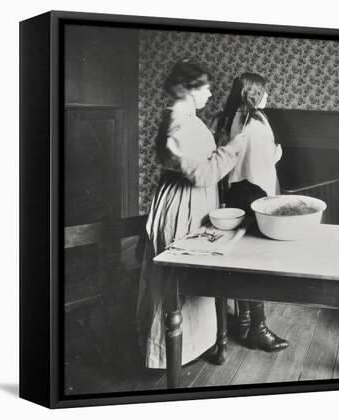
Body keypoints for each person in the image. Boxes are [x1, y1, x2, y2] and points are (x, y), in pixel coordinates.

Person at [136, 58, 248, 368]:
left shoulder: (186, 117)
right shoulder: (180, 121)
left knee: (192, 283)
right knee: (178, 282)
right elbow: (201, 174)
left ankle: (191, 347)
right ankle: (167, 355)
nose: (211, 93)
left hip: (192, 201)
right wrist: (234, 147)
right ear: (189, 88)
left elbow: (196, 157)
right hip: (183, 204)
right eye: (207, 87)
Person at [216, 72, 288, 352]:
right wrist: (277, 154)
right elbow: (262, 164)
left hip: (238, 193)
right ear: (256, 93)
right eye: (265, 91)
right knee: (256, 260)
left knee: (242, 258)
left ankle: (245, 318)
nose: (268, 96)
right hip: (254, 193)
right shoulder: (256, 122)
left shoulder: (236, 116)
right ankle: (258, 328)